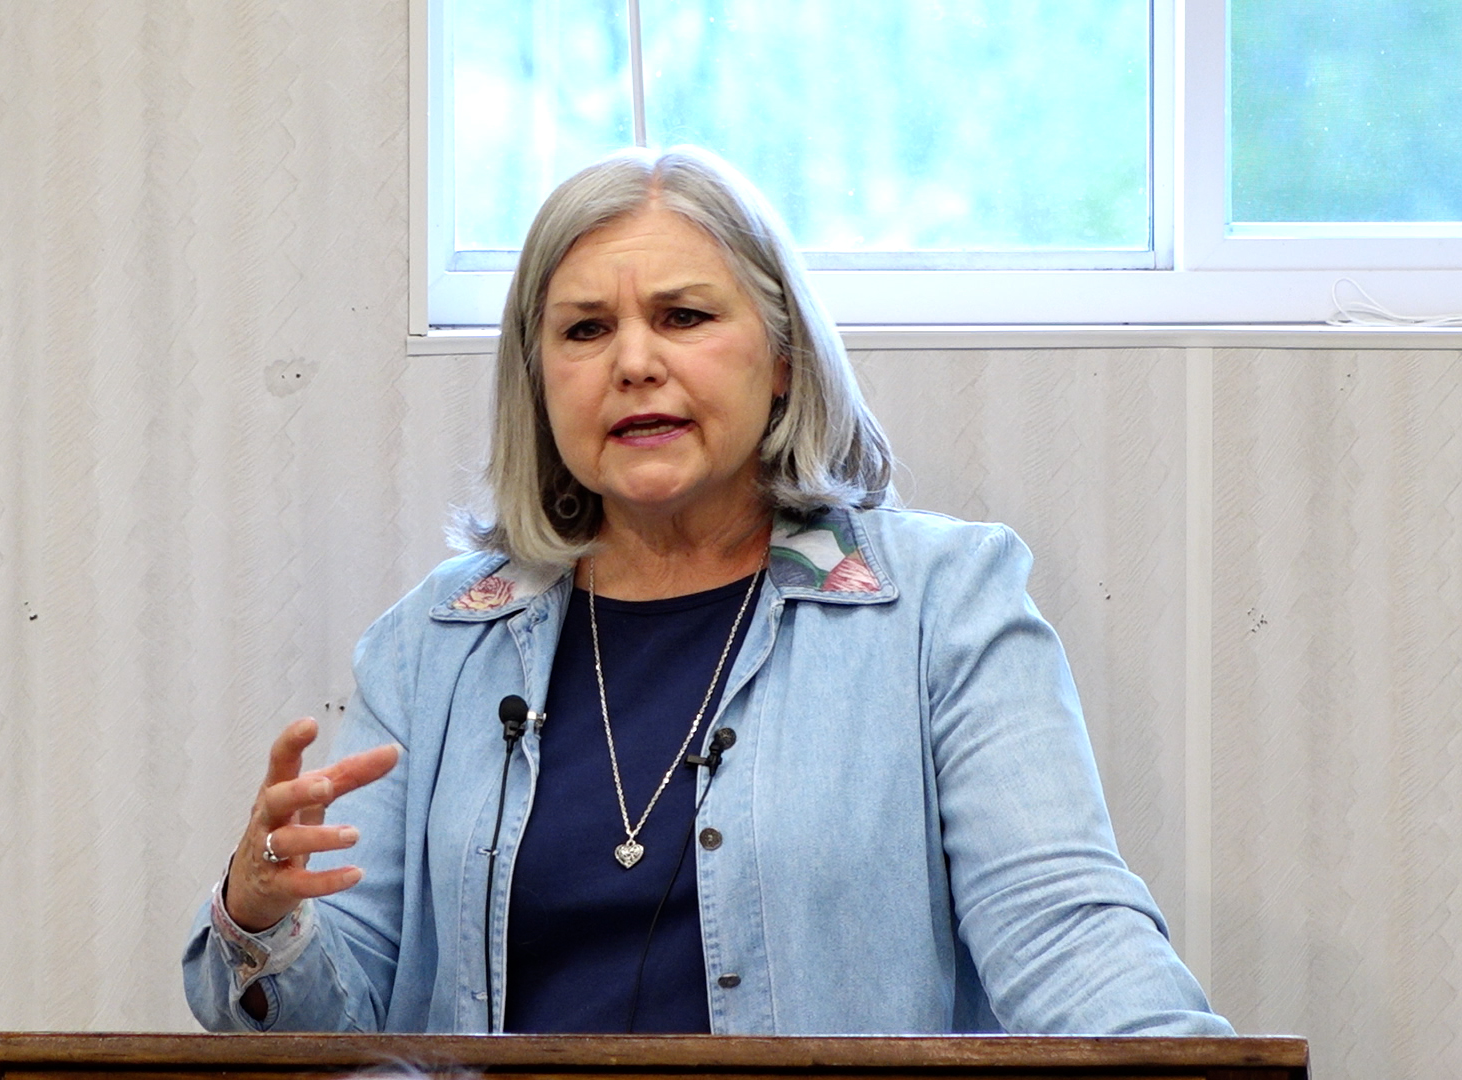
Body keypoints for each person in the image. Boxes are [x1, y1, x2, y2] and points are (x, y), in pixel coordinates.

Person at [183, 146, 1231, 1036]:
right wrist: (261, 916)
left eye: (683, 317)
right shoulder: (434, 642)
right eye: (584, 330)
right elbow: (334, 1025)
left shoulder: (940, 607)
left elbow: (1064, 935)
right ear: (539, 381)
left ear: (782, 358)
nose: (634, 363)